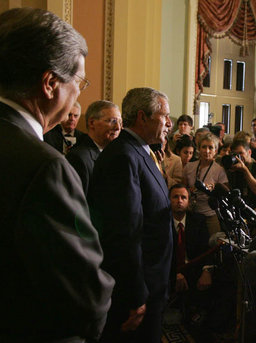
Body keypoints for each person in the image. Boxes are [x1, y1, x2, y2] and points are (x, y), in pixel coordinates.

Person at [0, 8, 114, 342]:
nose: (78, 94)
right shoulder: (46, 167)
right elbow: (87, 298)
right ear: (50, 84)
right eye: (79, 83)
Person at [89, 87, 173, 342]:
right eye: (164, 116)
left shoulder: (142, 152)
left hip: (152, 284)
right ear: (142, 117)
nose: (169, 123)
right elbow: (125, 233)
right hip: (137, 292)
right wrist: (136, 295)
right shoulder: (123, 156)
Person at [169, 184, 213, 317]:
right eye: (175, 197)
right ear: (168, 200)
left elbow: (206, 248)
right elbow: (159, 255)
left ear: (189, 201)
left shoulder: (198, 220)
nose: (179, 201)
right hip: (169, 271)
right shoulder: (161, 222)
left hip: (193, 270)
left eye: (183, 197)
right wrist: (174, 274)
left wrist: (207, 270)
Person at [66, 100, 121, 195]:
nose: (118, 127)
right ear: (92, 123)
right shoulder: (78, 158)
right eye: (112, 121)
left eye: (120, 122)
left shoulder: (115, 154)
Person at [182, 132, 229, 236]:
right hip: (191, 212)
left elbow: (225, 192)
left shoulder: (219, 170)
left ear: (215, 151)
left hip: (210, 213)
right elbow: (183, 188)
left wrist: (213, 189)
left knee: (214, 242)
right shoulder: (189, 167)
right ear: (199, 148)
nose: (207, 151)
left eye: (210, 147)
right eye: (203, 147)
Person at [225, 140, 256, 208]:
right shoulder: (233, 169)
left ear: (249, 152)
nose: (238, 157)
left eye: (241, 153)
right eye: (235, 155)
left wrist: (245, 170)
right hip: (238, 207)